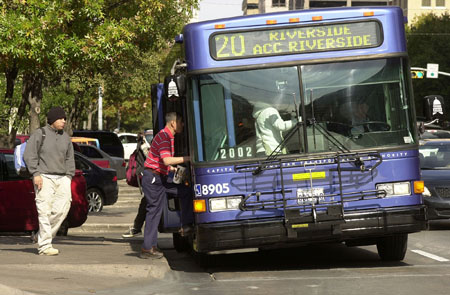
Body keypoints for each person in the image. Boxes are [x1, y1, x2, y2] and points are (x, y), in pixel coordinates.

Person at [139, 112, 193, 259]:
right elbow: (167, 160)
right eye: (181, 121)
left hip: (159, 178)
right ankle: (147, 248)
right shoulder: (164, 137)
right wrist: (189, 158)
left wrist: (174, 170)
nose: (182, 125)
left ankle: (186, 225)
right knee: (154, 212)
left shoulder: (168, 136)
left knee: (185, 191)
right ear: (173, 123)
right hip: (153, 179)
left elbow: (164, 163)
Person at [24, 106, 75, 256]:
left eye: (64, 118)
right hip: (44, 177)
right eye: (60, 118)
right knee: (44, 211)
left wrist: (69, 176)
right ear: (52, 119)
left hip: (63, 177)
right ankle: (45, 246)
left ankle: (41, 235)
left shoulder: (65, 137)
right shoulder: (40, 134)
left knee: (62, 209)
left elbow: (69, 158)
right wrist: (35, 173)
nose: (63, 121)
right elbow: (30, 154)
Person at [122, 132, 148, 238]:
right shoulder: (144, 148)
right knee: (147, 206)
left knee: (145, 204)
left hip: (147, 179)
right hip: (151, 179)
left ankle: (137, 228)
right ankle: (139, 230)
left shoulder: (140, 148)